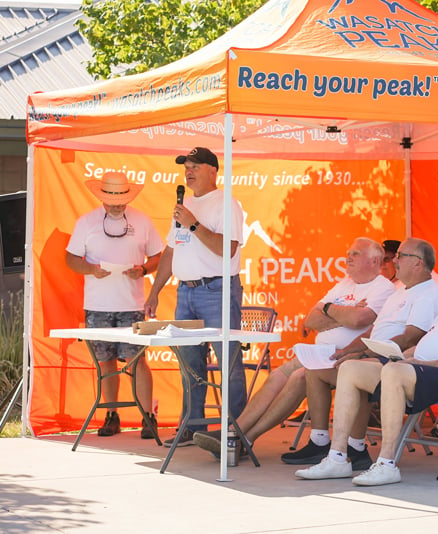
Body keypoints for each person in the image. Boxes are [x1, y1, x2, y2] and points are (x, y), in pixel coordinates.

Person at [295, 240, 438, 485]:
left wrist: (425, 363)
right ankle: (338, 457)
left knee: (393, 372)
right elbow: (431, 337)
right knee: (350, 369)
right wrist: (408, 355)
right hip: (421, 367)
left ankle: (387, 463)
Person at [192, 237, 395, 456]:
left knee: (298, 377)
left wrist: (329, 310)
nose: (348, 257)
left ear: (374, 261)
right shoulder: (345, 283)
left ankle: (241, 439)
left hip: (348, 358)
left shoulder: (383, 288)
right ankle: (233, 433)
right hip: (320, 354)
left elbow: (359, 321)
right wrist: (341, 312)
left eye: (355, 254)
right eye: (348, 252)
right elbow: (311, 320)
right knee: (277, 376)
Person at [281, 238, 438, 469]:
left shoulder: (429, 294)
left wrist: (362, 353)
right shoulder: (401, 292)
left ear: (418, 264)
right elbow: (373, 331)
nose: (395, 261)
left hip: (398, 362)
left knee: (352, 369)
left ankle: (351, 449)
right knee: (317, 369)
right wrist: (348, 350)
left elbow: (411, 338)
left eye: (400, 256)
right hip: (377, 355)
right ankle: (321, 442)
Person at [144, 147, 246, 447]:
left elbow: (227, 249)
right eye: (186, 167)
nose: (188, 171)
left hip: (217, 290)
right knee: (189, 363)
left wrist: (192, 222)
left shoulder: (226, 203)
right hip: (185, 292)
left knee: (229, 362)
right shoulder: (185, 203)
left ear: (213, 171)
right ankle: (193, 423)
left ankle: (236, 430)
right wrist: (154, 291)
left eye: (195, 166)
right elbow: (171, 250)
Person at [65, 171, 163, 438]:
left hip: (132, 304)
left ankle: (148, 417)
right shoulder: (86, 222)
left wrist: (143, 269)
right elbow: (70, 259)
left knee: (138, 360)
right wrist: (90, 269)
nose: (117, 207)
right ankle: (111, 414)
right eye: (111, 203)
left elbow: (159, 256)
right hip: (97, 305)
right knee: (105, 362)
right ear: (101, 199)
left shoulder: (142, 221)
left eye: (121, 203)